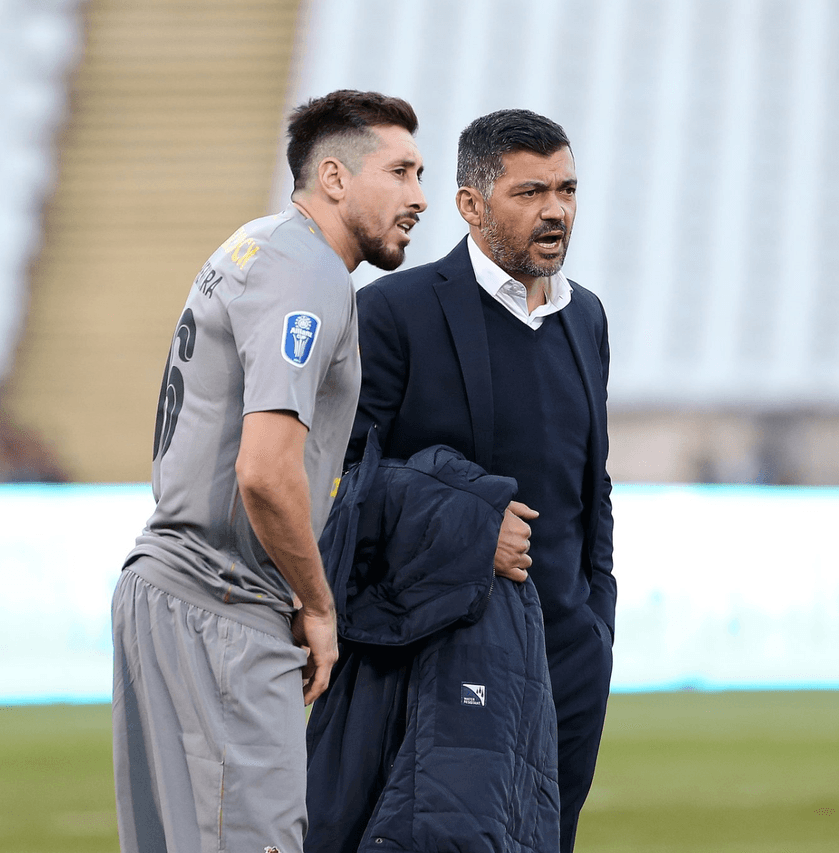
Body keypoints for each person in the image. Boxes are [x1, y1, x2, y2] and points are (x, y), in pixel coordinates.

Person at [111, 89, 426, 853]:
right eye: (401, 171)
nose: (419, 197)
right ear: (335, 177)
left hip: (166, 588)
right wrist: (318, 605)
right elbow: (265, 470)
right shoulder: (308, 275)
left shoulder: (257, 245)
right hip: (223, 602)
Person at [343, 108, 614, 853]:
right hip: (448, 655)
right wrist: (470, 530)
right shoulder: (392, 312)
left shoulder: (586, 316)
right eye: (530, 192)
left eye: (566, 189)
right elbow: (343, 483)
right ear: (470, 204)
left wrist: (598, 627)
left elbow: (593, 488)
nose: (556, 210)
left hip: (569, 662)